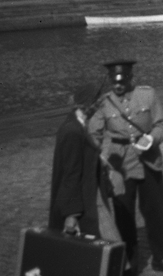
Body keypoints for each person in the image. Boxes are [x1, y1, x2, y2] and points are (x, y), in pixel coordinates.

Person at [89, 60, 163, 276]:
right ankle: (129, 264)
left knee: (155, 212)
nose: (118, 86)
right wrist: (101, 157)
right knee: (124, 215)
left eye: (122, 81)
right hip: (120, 164)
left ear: (131, 78)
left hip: (148, 159)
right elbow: (94, 133)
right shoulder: (104, 102)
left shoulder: (147, 95)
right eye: (114, 82)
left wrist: (152, 139)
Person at [50, 83, 122, 246]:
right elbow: (71, 174)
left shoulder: (79, 126)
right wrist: (71, 214)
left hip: (90, 193)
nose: (98, 108)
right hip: (85, 198)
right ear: (86, 105)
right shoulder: (73, 132)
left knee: (104, 242)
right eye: (96, 104)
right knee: (106, 243)